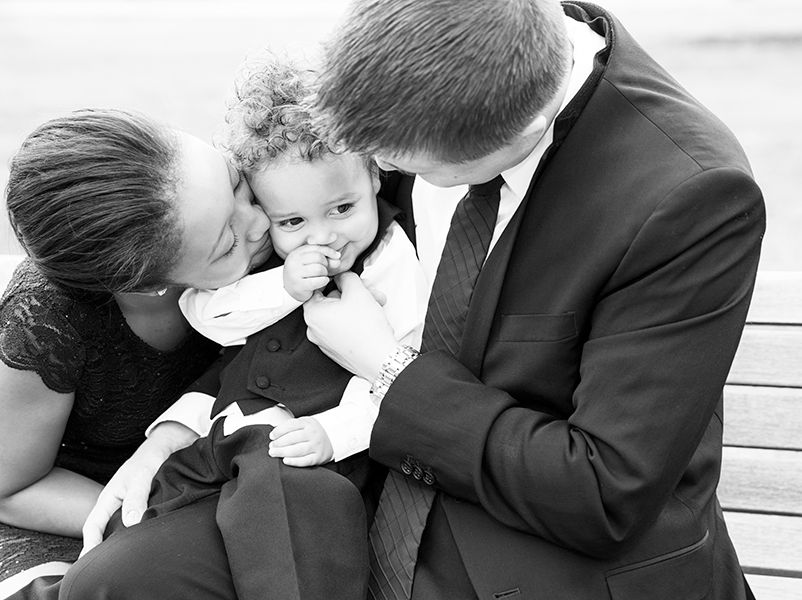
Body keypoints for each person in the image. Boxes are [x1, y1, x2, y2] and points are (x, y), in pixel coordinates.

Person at [300, 1, 766, 599]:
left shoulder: (687, 194)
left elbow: (605, 491)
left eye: (408, 165)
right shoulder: (435, 66)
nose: (377, 170)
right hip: (359, 493)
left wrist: (387, 368)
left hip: (554, 565)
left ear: (523, 132)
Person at [60, 51, 427, 600]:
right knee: (129, 531)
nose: (322, 236)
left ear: (374, 174)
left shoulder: (390, 260)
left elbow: (405, 366)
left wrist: (336, 434)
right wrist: (285, 287)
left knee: (282, 529)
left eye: (343, 209)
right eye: (293, 221)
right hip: (222, 436)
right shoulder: (273, 258)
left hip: (306, 448)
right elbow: (211, 318)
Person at [0, 108, 272, 600]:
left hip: (192, 486)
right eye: (227, 243)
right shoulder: (46, 316)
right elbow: (8, 490)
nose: (260, 222)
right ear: (148, 284)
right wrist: (145, 513)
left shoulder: (275, 225)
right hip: (46, 507)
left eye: (236, 184)